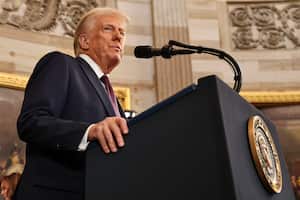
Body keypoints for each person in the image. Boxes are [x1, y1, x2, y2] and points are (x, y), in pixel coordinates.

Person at [13, 7, 129, 200]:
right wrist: (89, 131)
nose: (118, 37)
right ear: (84, 41)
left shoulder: (113, 97)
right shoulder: (62, 64)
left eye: (122, 32)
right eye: (109, 29)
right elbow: (31, 122)